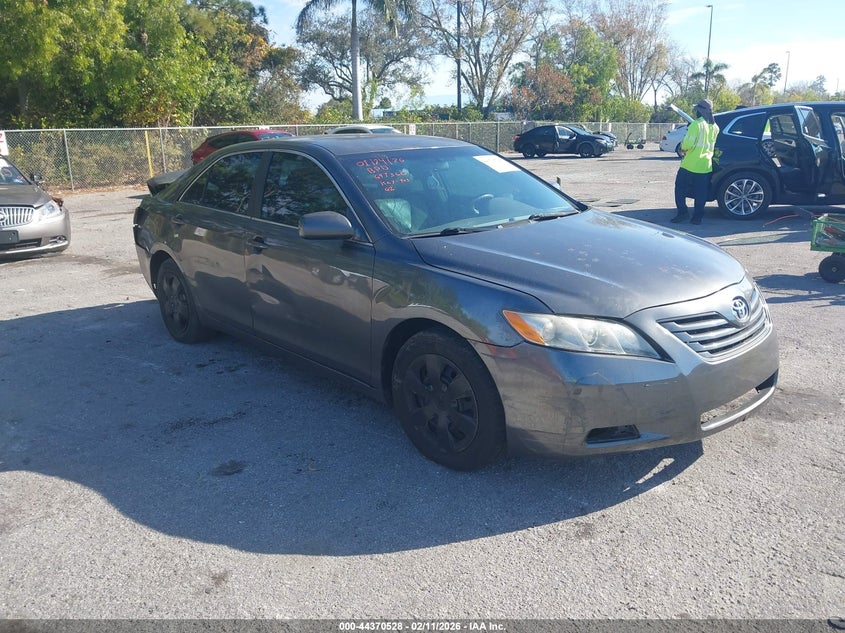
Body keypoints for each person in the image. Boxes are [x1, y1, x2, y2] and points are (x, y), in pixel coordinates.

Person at [671, 99, 719, 225]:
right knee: (701, 193)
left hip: (689, 165)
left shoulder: (696, 125)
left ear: (700, 111)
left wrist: (682, 147)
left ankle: (683, 213)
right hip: (705, 166)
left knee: (680, 189)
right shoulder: (715, 127)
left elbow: (687, 145)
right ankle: (697, 217)